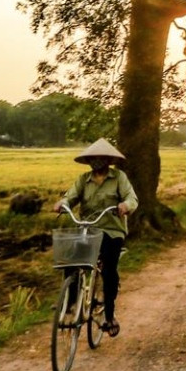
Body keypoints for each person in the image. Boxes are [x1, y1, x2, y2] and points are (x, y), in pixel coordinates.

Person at [57, 138, 138, 337]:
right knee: (71, 262)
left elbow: (131, 197)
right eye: (93, 158)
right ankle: (70, 303)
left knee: (110, 270)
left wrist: (125, 206)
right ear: (89, 160)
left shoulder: (119, 178)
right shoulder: (83, 180)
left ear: (108, 160)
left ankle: (108, 314)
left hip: (112, 230)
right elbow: (71, 196)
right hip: (88, 229)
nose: (97, 161)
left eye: (101, 158)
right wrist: (63, 203)